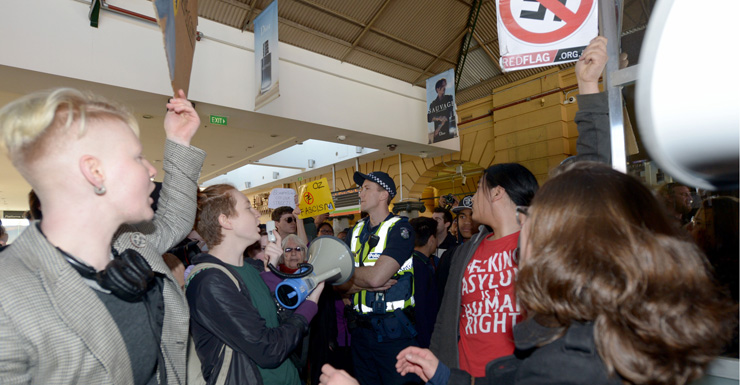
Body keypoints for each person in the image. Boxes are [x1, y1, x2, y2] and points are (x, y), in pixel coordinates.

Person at [393, 163, 737, 385]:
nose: (528, 225)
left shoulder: (564, 365)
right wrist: (442, 373)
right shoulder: (620, 340)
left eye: (538, 218)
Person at [0, 88, 205, 384]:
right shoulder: (9, 299)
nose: (150, 170)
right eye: (137, 157)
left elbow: (173, 219)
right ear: (95, 171)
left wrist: (179, 141)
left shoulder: (130, 243)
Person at [186, 184, 323, 385]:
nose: (257, 213)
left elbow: (274, 322)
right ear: (226, 221)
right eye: (248, 207)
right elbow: (269, 349)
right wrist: (309, 306)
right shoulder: (209, 282)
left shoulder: (252, 269)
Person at [429, 163, 538, 378]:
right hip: (466, 376)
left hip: (522, 375)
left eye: (479, 188)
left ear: (497, 193)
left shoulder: (538, 247)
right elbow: (446, 317)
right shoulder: (464, 253)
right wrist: (439, 371)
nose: (474, 196)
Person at [337, 171, 419, 385]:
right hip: (360, 333)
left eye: (366, 188)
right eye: (361, 188)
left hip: (394, 334)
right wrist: (360, 282)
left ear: (384, 195)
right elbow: (337, 284)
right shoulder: (354, 231)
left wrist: (352, 280)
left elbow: (375, 278)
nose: (360, 193)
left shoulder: (400, 229)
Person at [409, 217, 440, 349]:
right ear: (432, 239)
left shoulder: (411, 262)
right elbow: (420, 309)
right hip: (421, 339)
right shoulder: (420, 267)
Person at [427, 78, 457, 143]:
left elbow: (447, 116)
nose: (444, 88)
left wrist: (438, 128)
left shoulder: (449, 98)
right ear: (437, 89)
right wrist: (438, 118)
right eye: (442, 86)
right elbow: (429, 118)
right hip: (438, 137)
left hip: (448, 133)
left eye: (445, 86)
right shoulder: (433, 104)